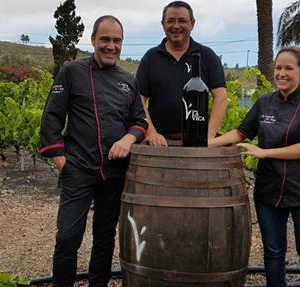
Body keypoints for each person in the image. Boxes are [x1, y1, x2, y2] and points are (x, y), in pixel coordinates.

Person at [38, 15, 147, 287]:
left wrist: (128, 139)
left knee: (104, 236)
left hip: (114, 172)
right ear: (93, 41)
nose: (111, 46)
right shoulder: (72, 72)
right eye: (105, 39)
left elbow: (140, 122)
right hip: (79, 168)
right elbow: (52, 116)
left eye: (117, 40)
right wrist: (60, 159)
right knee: (67, 236)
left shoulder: (128, 81)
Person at [209, 46, 300, 287]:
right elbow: (241, 132)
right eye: (278, 68)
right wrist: (208, 142)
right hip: (269, 191)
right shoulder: (264, 102)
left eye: (289, 68)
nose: (281, 73)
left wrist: (265, 152)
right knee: (273, 253)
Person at [137, 1, 228, 146]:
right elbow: (139, 100)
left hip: (197, 141)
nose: (176, 26)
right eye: (171, 21)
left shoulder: (207, 56)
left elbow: (221, 98)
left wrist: (209, 136)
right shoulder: (151, 57)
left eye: (182, 21)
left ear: (192, 24)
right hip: (160, 142)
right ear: (163, 24)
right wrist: (151, 132)